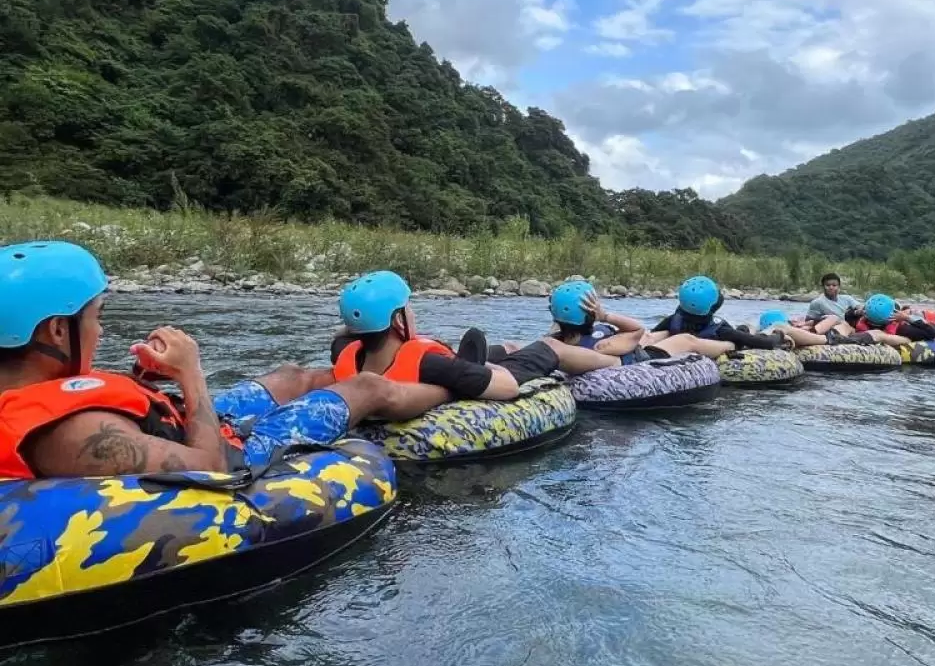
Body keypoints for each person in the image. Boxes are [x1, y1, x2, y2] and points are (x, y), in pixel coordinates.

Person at [0, 241, 449, 482]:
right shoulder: (76, 436)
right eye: (96, 317)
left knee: (293, 376)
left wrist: (145, 383)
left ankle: (406, 368)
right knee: (367, 387)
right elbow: (211, 467)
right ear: (56, 331)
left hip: (185, 423)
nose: (100, 331)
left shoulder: (29, 386)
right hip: (234, 452)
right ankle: (449, 384)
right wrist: (191, 374)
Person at [330, 271, 615, 399]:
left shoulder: (345, 351)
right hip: (486, 374)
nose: (413, 313)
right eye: (409, 308)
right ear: (397, 320)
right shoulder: (434, 365)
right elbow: (508, 388)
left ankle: (502, 351)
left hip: (424, 357)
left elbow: (347, 332)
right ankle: (613, 363)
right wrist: (480, 368)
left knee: (508, 346)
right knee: (550, 345)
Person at [547, 282, 736, 362]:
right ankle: (731, 343)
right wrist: (604, 316)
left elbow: (558, 324)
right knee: (686, 339)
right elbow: (637, 329)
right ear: (591, 315)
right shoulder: (603, 345)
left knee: (657, 334)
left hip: (630, 346)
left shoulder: (558, 339)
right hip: (644, 357)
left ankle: (710, 335)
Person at [652, 276, 795, 352]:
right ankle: (750, 327)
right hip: (732, 337)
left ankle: (747, 327)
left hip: (726, 335)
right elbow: (764, 343)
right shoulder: (720, 330)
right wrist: (780, 337)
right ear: (713, 306)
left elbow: (653, 334)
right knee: (744, 331)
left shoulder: (672, 321)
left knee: (744, 329)